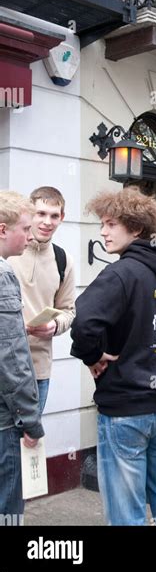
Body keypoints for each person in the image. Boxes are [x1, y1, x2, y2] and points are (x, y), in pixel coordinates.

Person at [70, 188, 156, 526]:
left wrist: (92, 354)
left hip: (127, 409)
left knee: (127, 515)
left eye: (111, 224)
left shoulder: (121, 273)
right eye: (102, 225)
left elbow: (83, 322)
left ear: (136, 229)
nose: (104, 232)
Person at [9, 186, 75, 414]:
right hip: (4, 365)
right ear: (30, 213)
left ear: (62, 218)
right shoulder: (8, 251)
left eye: (54, 215)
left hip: (38, 368)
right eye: (41, 213)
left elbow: (68, 310)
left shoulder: (63, 259)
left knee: (30, 443)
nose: (47, 221)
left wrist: (55, 325)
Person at [0, 191, 44, 524]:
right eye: (25, 229)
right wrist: (30, 419)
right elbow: (12, 356)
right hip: (3, 422)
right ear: (3, 229)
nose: (30, 237)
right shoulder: (3, 276)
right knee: (8, 513)